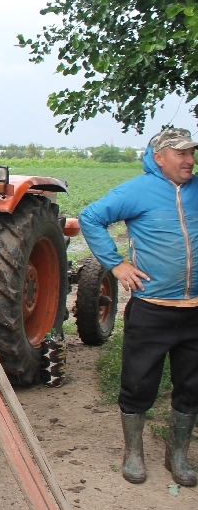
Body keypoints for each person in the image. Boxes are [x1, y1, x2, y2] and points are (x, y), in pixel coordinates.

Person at [80, 127, 198, 487]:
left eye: (191, 152)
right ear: (159, 157)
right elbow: (91, 217)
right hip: (152, 310)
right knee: (138, 382)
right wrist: (116, 265)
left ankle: (177, 454)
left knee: (192, 386)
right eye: (180, 154)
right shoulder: (137, 191)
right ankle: (133, 452)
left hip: (195, 311)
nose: (189, 160)